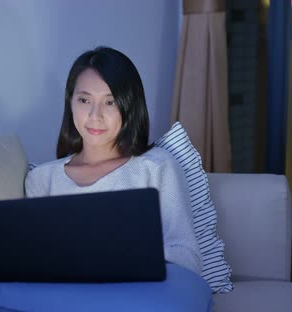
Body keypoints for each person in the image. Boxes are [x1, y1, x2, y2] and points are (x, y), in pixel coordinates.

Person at [24, 46, 202, 275]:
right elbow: (33, 260)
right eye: (84, 100)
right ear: (70, 103)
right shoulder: (41, 179)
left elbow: (189, 256)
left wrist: (126, 257)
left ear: (129, 107)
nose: (94, 115)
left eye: (110, 102)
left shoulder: (156, 167)